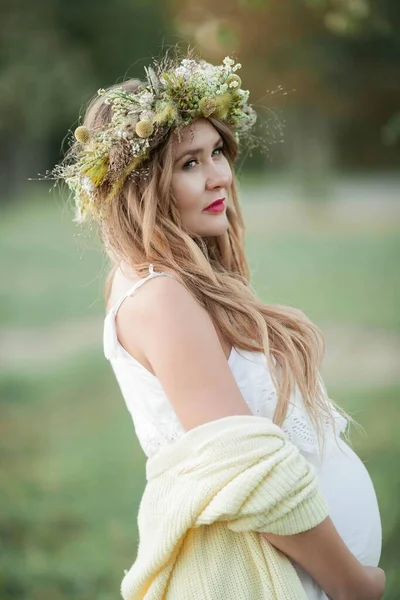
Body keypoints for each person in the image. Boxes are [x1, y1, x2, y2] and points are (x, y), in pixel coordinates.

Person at [53, 53, 384, 599]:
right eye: (189, 164)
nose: (220, 177)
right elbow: (250, 471)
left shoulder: (171, 280)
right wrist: (353, 583)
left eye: (217, 154)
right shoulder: (160, 296)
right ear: (142, 186)